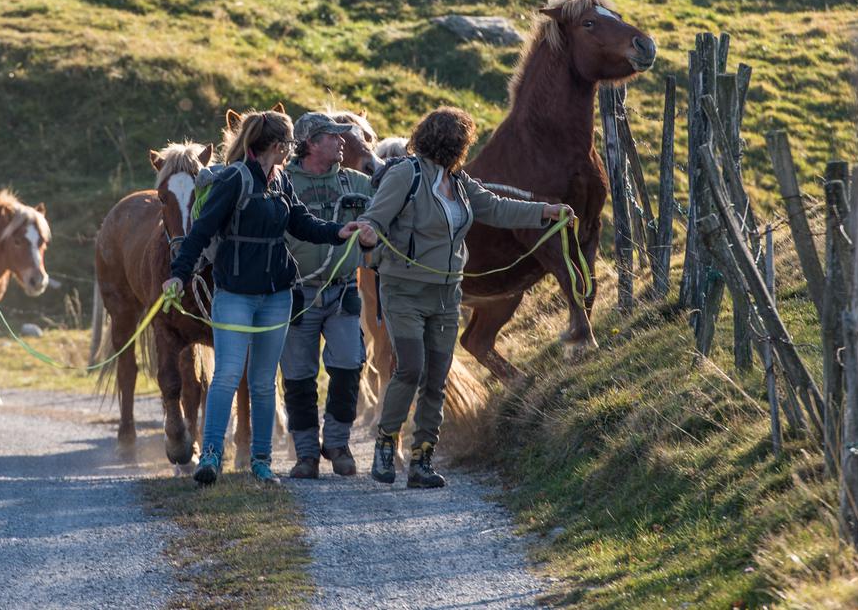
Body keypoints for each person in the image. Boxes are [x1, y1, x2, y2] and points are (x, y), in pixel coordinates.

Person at [359, 107, 571, 488]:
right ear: (455, 143)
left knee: (436, 378)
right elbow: (376, 217)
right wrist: (368, 233)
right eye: (464, 142)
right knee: (409, 368)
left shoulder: (457, 182)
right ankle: (386, 446)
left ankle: (422, 459)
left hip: (446, 292)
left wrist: (546, 212)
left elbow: (496, 207)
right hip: (403, 290)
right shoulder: (404, 175)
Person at [164, 109, 376, 486]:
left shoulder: (280, 181)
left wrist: (337, 232)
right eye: (288, 145)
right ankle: (210, 456)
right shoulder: (234, 179)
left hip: (277, 295)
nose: (290, 151)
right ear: (276, 146)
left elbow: (300, 221)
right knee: (227, 375)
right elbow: (201, 232)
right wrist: (178, 275)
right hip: (234, 295)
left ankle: (261, 462)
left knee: (262, 382)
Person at [280, 113, 375, 479]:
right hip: (297, 296)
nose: (342, 143)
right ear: (311, 143)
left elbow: (389, 204)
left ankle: (337, 444)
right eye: (334, 137)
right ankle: (305, 455)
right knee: (298, 376)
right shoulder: (282, 183)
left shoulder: (356, 183)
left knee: (350, 365)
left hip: (343, 292)